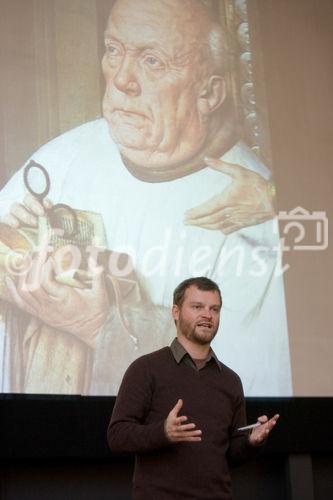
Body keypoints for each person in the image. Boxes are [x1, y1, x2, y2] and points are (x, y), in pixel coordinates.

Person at [0, 0, 291, 396]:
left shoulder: (254, 210)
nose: (121, 80)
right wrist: (16, 250)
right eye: (114, 51)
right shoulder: (59, 160)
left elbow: (238, 396)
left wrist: (102, 327)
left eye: (152, 61)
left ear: (209, 93)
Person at [108, 277, 279, 500]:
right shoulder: (145, 369)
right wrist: (163, 432)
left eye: (214, 309)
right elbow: (117, 436)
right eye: (197, 307)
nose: (207, 315)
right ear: (176, 312)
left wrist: (251, 442)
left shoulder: (230, 381)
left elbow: (231, 455)